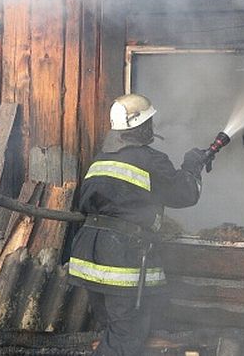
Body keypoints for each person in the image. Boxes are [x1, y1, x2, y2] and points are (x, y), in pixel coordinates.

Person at [68, 93, 208, 355]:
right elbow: (184, 195)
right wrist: (192, 166)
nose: (152, 128)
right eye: (149, 122)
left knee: (114, 328)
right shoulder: (150, 159)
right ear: (140, 126)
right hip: (121, 257)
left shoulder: (101, 159)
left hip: (90, 256)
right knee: (126, 337)